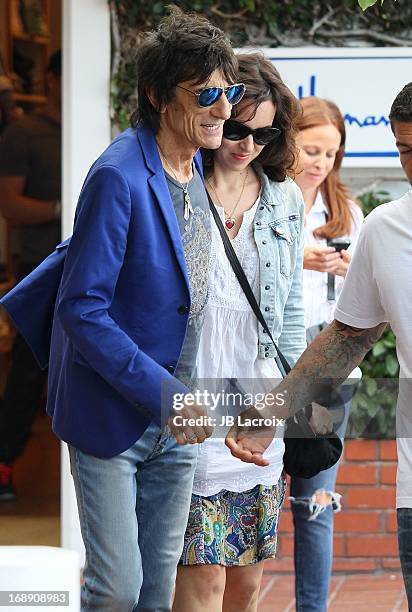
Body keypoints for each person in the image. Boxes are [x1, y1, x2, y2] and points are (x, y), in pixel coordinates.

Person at [43, 10, 244, 612]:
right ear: (157, 95)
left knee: (158, 592)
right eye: (206, 93)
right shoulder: (118, 175)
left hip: (177, 417)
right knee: (117, 591)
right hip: (114, 416)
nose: (223, 109)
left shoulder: (195, 170)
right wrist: (167, 396)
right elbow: (82, 309)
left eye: (227, 92)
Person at [225, 82, 412, 607]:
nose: (410, 163)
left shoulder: (349, 216)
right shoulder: (386, 228)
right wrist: (270, 415)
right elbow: (348, 336)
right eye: (403, 148)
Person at [173, 52, 306, 612]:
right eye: (236, 127)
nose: (247, 143)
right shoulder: (176, 188)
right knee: (201, 578)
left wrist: (293, 409)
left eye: (264, 132)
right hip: (191, 392)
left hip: (259, 400)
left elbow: (292, 316)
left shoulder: (285, 198)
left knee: (246, 583)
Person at [291, 96, 363, 612]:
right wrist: (301, 262)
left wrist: (348, 270)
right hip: (271, 364)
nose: (320, 163)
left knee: (314, 503)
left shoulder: (347, 211)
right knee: (247, 493)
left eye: (331, 154)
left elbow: (366, 305)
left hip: (332, 367)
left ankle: (312, 608)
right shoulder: (261, 199)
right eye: (311, 149)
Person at [0, 50, 61, 501]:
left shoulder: (90, 131)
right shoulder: (23, 133)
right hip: (37, 268)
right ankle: (5, 463)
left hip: (90, 271)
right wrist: (63, 209)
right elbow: (10, 205)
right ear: (52, 79)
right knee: (26, 369)